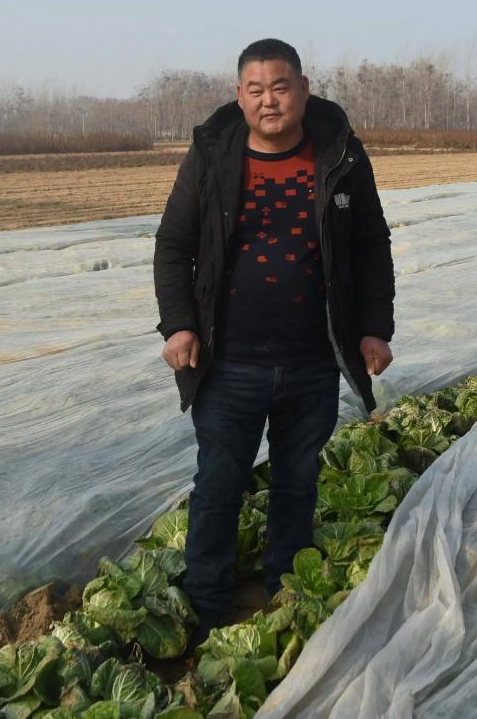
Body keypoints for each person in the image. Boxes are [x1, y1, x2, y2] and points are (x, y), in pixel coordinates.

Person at [153, 38, 395, 650]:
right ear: (240, 96)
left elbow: (372, 244)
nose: (269, 101)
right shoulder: (212, 157)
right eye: (255, 90)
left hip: (313, 360)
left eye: (280, 87)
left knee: (297, 481)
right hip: (229, 362)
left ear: (303, 88)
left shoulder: (340, 154)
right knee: (218, 485)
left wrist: (374, 328)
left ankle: (285, 594)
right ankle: (208, 606)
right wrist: (179, 325)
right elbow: (172, 246)